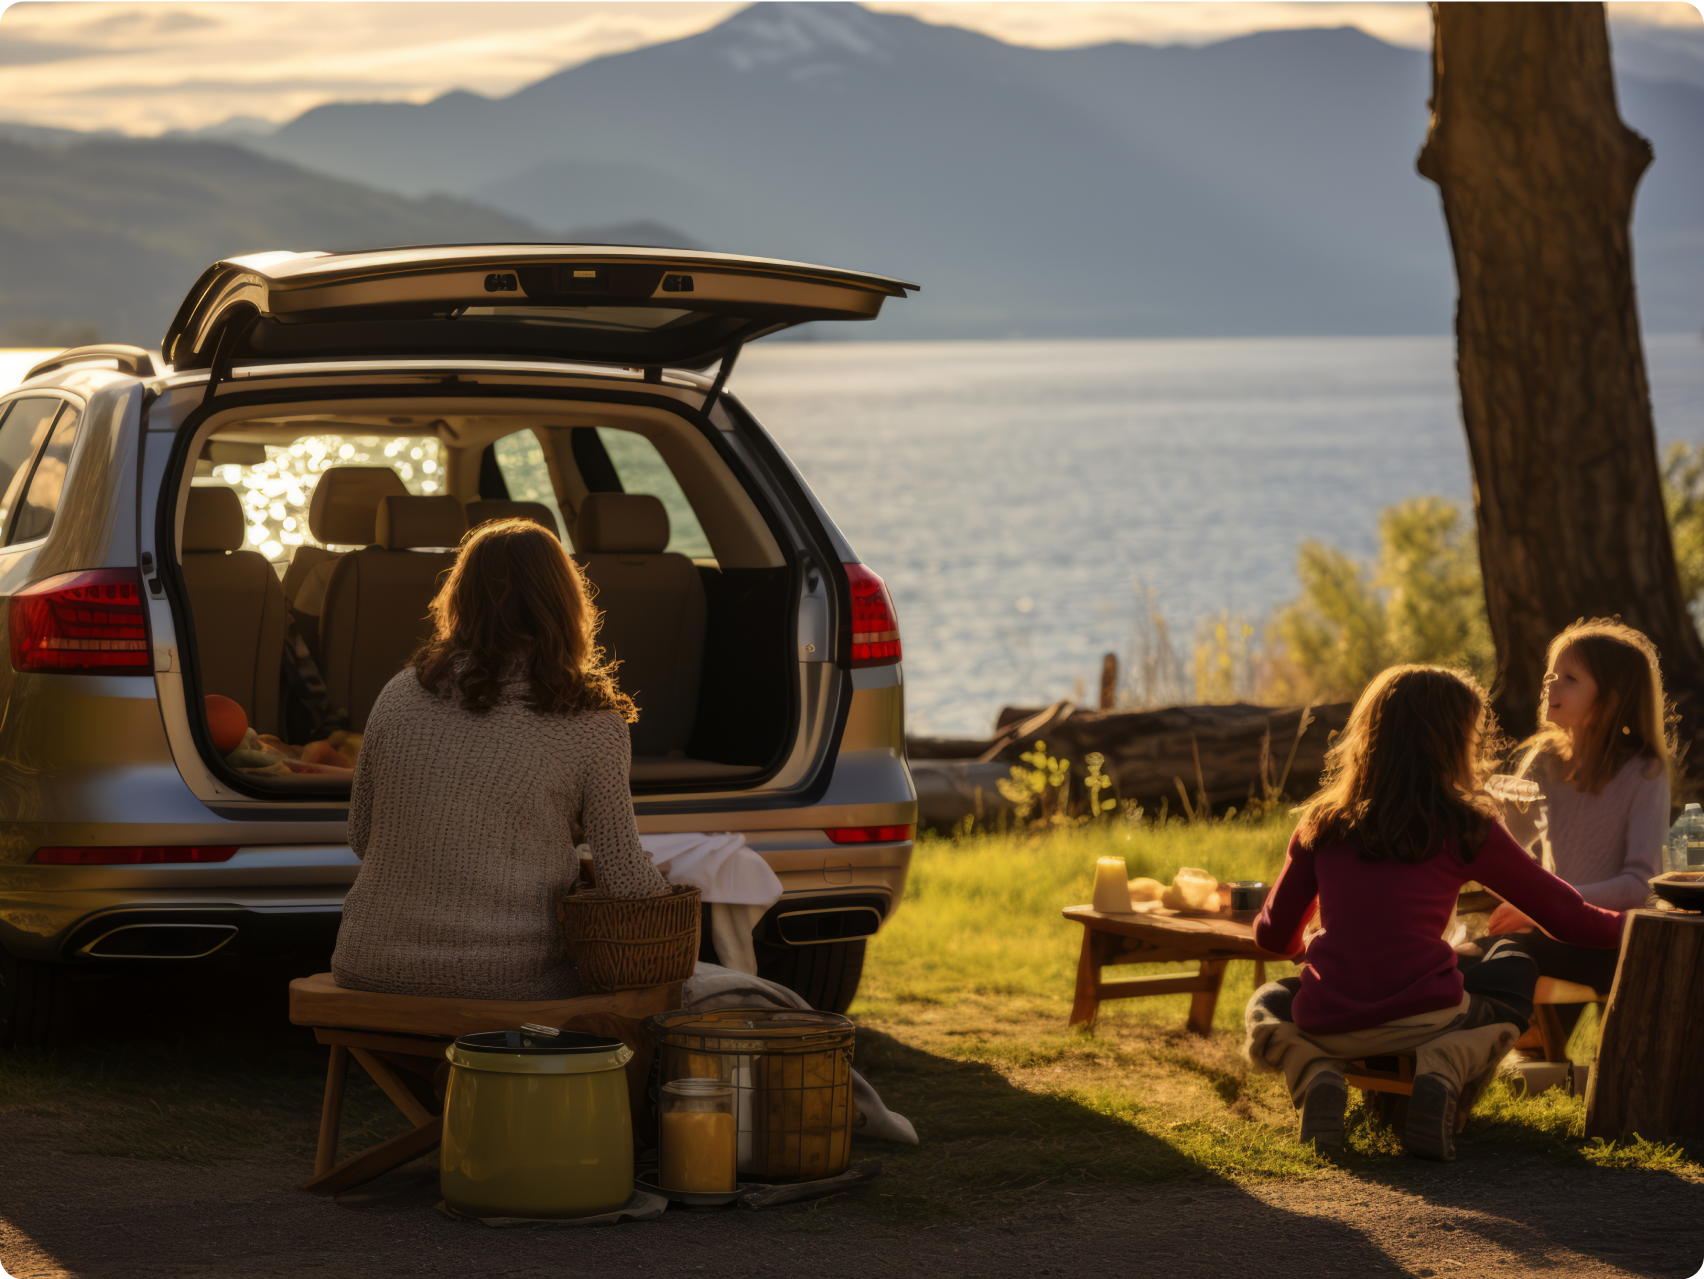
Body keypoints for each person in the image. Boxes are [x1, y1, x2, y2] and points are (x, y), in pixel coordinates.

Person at [1243, 665, 1624, 1162]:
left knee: (1268, 1001)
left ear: (1369, 735)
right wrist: (1641, 925)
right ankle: (1446, 1066)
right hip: (1429, 1021)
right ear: (1454, 742)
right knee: (1514, 967)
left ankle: (1314, 1072)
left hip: (1329, 1020)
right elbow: (1567, 917)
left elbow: (1272, 937)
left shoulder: (1323, 823)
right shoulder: (1464, 825)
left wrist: (1307, 948)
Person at [331, 518, 669, 1001]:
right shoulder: (591, 717)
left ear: (461, 597)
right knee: (664, 993)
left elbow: (362, 839)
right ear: (566, 602)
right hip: (513, 977)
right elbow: (625, 882)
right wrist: (677, 891)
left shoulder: (401, 692)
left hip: (367, 961)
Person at [1488, 619, 1670, 1028]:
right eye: (1551, 674)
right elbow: (1517, 859)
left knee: (1490, 961)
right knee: (1467, 955)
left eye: (1569, 678)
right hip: (1552, 930)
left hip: (1608, 942)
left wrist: (1541, 908)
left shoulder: (1644, 772)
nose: (1551, 685)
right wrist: (1499, 825)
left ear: (1611, 699)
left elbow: (1640, 885)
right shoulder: (1544, 760)